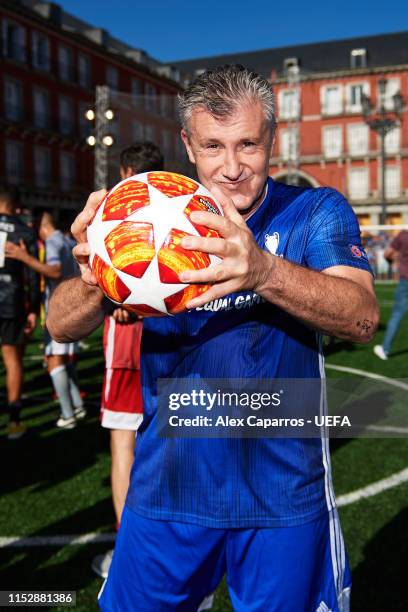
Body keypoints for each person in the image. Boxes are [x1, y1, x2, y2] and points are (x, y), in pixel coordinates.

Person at [48, 66, 379, 611]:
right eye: (213, 146)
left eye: (248, 144)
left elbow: (362, 317)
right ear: (188, 143)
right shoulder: (153, 224)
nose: (231, 167)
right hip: (166, 492)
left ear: (273, 137)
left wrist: (265, 272)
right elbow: (61, 324)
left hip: (282, 497)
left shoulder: (312, 211)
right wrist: (95, 281)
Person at [92, 142, 162, 579]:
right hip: (174, 340)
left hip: (128, 342)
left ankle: (128, 548)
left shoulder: (114, 210)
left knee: (123, 444)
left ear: (124, 170)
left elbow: (101, 275)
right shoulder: (181, 203)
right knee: (169, 443)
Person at [6, 210, 85, 429]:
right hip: (72, 306)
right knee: (63, 360)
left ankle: (68, 414)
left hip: (59, 308)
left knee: (54, 362)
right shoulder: (65, 239)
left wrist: (24, 258)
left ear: (42, 227)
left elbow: (54, 270)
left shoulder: (51, 242)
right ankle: (77, 405)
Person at [0, 190, 40, 439]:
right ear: (15, 205)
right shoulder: (23, 230)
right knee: (12, 359)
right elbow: (33, 276)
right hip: (10, 300)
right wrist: (34, 308)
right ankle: (14, 421)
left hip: (9, 298)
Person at [373, 229, 408, 360]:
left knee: (397, 315)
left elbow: (388, 254)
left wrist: (395, 264)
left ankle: (385, 349)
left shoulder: (403, 235)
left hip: (406, 280)